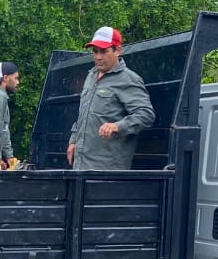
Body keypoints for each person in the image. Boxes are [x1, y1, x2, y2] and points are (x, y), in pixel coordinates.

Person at [66, 26, 155, 170]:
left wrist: (117, 126)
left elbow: (146, 115)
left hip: (107, 170)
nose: (98, 57)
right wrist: (74, 140)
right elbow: (84, 113)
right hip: (81, 166)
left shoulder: (128, 79)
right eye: (95, 51)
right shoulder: (91, 76)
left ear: (117, 51)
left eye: (104, 51)